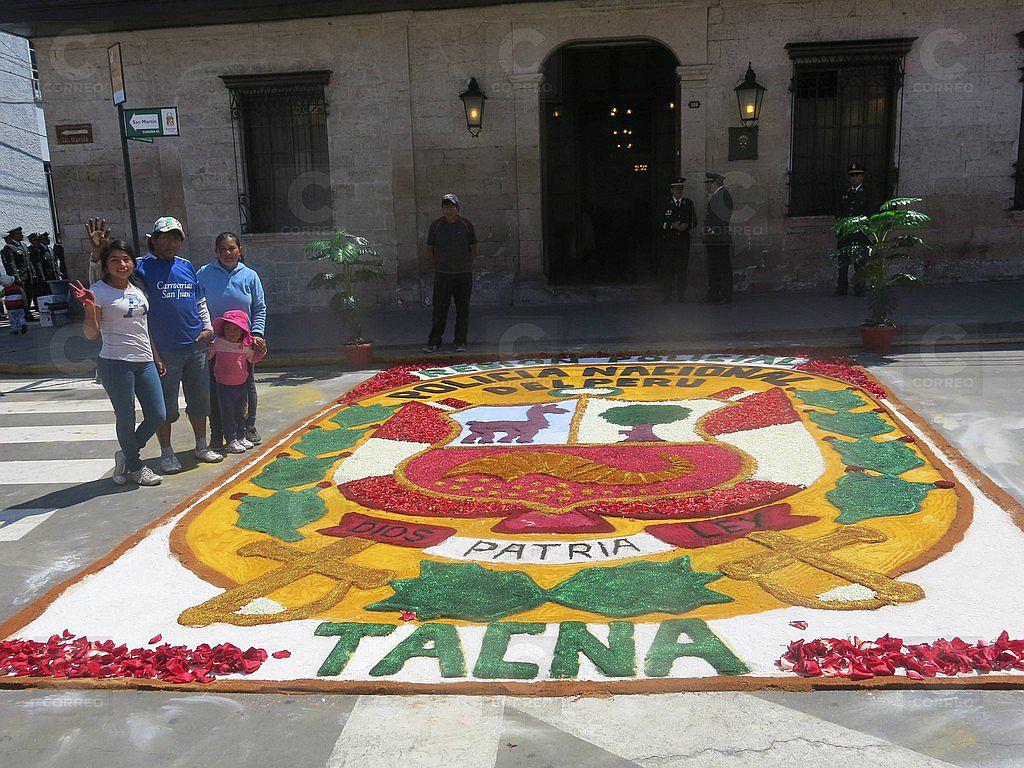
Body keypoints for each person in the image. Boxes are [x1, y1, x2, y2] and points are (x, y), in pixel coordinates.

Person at [70, 241, 166, 486]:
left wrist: (155, 356)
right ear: (106, 265)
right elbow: (91, 333)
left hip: (144, 360)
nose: (121, 265)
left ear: (133, 262)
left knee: (158, 414)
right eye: (114, 260)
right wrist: (89, 307)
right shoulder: (99, 290)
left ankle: (125, 453)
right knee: (126, 416)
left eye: (126, 259)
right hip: (115, 362)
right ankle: (135, 467)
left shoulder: (138, 288)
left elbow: (143, 327)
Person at [133, 216, 223, 473]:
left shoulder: (186, 266)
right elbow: (111, 277)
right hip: (164, 351)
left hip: (195, 347)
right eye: (165, 237)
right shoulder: (141, 267)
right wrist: (97, 255)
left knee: (199, 401)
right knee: (166, 407)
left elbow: (199, 302)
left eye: (176, 238)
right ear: (153, 239)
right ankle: (167, 452)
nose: (171, 243)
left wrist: (207, 328)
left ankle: (201, 445)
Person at [197, 232, 267, 452]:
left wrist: (257, 334)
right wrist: (205, 332)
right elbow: (197, 304)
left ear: (240, 250)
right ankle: (217, 432)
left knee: (246, 385)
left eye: (232, 248)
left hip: (242, 342)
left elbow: (259, 307)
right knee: (216, 388)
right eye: (222, 249)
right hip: (215, 343)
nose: (227, 253)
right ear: (216, 252)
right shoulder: (204, 274)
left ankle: (247, 428)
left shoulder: (250, 276)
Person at [207, 310, 266, 454]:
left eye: (235, 329)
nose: (231, 332)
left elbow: (252, 359)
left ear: (242, 331)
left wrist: (262, 351)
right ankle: (230, 440)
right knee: (227, 413)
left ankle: (241, 436)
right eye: (227, 329)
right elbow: (208, 355)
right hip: (223, 386)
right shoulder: (218, 343)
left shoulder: (245, 346)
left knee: (241, 413)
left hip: (241, 386)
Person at [424, 193, 476, 353]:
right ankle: (434, 341)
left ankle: (460, 341)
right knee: (439, 309)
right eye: (445, 207)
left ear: (457, 208)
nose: (448, 210)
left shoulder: (466, 225)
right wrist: (436, 264)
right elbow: (430, 247)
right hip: (443, 274)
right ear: (442, 209)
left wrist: (467, 263)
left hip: (463, 274)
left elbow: (473, 247)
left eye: (451, 207)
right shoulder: (436, 226)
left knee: (462, 309)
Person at [834, 162, 872, 297]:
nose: (854, 178)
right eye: (852, 176)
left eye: (857, 175)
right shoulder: (844, 192)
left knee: (859, 262)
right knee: (843, 261)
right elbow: (838, 209)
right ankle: (841, 288)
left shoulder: (867, 193)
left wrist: (860, 225)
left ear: (862, 177)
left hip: (859, 233)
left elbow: (870, 211)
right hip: (845, 233)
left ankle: (859, 288)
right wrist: (840, 220)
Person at [659, 177, 697, 303]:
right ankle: (667, 296)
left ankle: (681, 296)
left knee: (682, 270)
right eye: (676, 189)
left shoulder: (688, 203)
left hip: (683, 242)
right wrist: (671, 225)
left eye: (680, 189)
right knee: (668, 269)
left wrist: (687, 225)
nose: (679, 192)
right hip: (668, 242)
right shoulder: (665, 203)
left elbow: (694, 221)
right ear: (672, 191)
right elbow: (659, 222)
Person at [702, 172, 734, 305]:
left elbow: (723, 218)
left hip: (719, 238)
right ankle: (714, 294)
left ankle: (725, 295)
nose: (707, 186)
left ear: (714, 183)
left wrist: (711, 231)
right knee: (713, 267)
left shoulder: (723, 195)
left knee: (723, 267)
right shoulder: (716, 196)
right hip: (713, 239)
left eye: (708, 184)